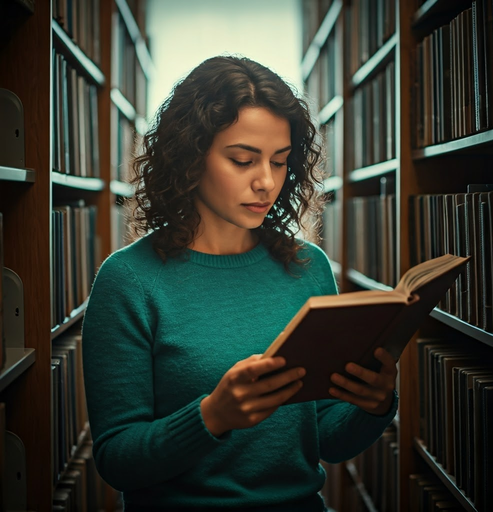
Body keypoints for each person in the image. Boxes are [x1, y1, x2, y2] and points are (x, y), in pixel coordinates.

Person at [81, 55, 398, 511]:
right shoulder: (129, 280)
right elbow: (117, 459)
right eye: (243, 159)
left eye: (281, 161)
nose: (266, 182)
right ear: (190, 157)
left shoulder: (309, 268)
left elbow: (327, 439)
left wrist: (372, 403)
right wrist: (213, 417)